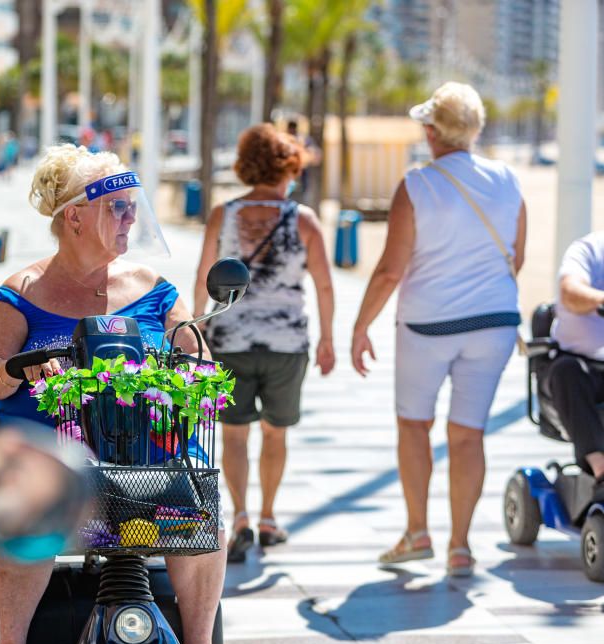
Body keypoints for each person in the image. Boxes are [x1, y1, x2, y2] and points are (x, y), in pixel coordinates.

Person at [0, 144, 224, 644]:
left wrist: (188, 370)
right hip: (54, 455)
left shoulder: (154, 290)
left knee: (205, 503)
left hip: (149, 455)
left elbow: (198, 355)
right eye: (118, 206)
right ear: (76, 218)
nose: (131, 215)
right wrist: (23, 366)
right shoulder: (20, 293)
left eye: (134, 205)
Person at [350, 82, 527, 577]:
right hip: (494, 323)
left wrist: (360, 326)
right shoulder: (509, 180)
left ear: (431, 131)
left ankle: (417, 532)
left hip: (427, 325)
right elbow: (517, 255)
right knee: (469, 436)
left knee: (415, 425)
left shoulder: (417, 185)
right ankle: (461, 546)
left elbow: (390, 270)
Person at [193, 123, 336, 563]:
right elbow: (325, 286)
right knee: (276, 433)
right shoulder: (303, 219)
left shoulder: (224, 213)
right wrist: (328, 338)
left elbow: (204, 276)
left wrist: (195, 331)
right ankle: (270, 516)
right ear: (288, 167)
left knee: (234, 435)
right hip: (285, 345)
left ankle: (240, 517)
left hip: (229, 340)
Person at [546, 231, 604, 491]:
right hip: (583, 368)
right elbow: (570, 292)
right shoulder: (589, 250)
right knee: (566, 371)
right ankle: (600, 465)